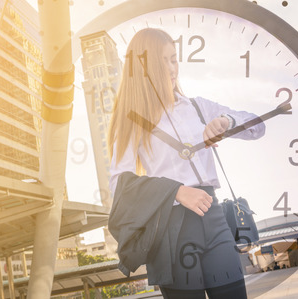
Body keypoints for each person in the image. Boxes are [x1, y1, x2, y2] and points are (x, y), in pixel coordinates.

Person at [107, 28, 265, 299]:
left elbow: (258, 126)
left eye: (174, 59)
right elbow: (119, 186)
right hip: (171, 230)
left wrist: (225, 122)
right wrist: (177, 191)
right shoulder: (132, 122)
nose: (172, 68)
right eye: (164, 61)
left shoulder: (197, 107)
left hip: (214, 220)